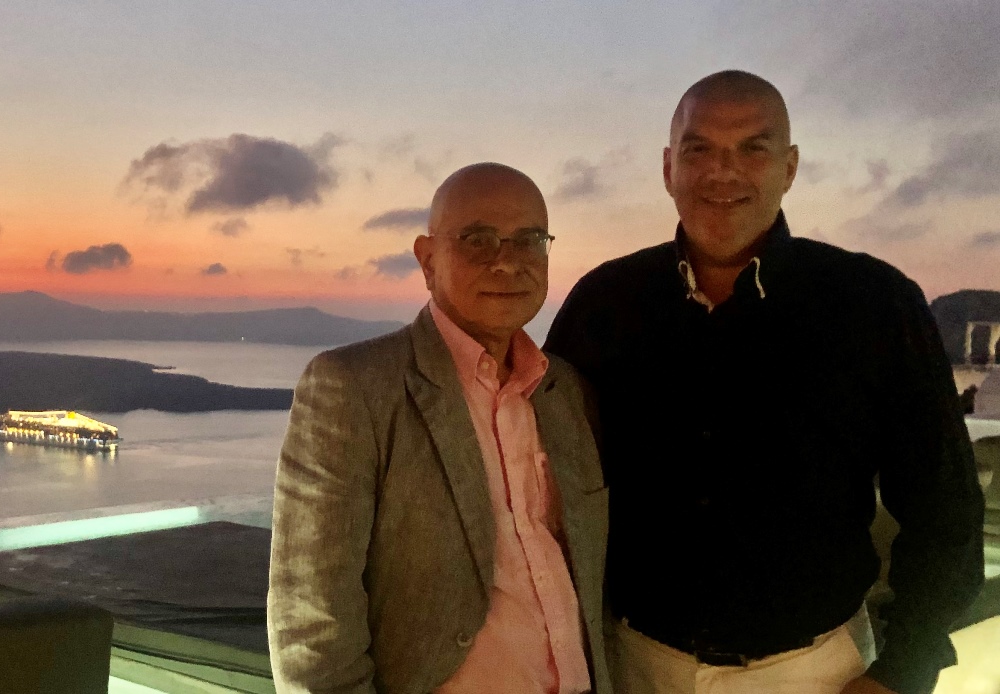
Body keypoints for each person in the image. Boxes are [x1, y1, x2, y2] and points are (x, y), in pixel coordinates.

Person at [545, 70, 984, 694]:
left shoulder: (875, 304)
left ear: (790, 166)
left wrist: (904, 668)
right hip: (633, 663)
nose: (723, 172)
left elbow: (944, 504)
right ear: (669, 168)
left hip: (818, 671)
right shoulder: (605, 302)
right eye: (699, 149)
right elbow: (537, 474)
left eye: (753, 147)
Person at [268, 162, 612, 694]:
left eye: (529, 241)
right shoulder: (354, 388)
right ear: (428, 261)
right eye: (478, 240)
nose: (507, 262)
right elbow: (311, 619)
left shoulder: (566, 393)